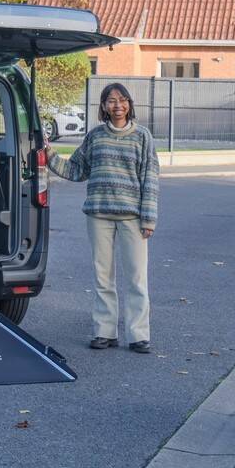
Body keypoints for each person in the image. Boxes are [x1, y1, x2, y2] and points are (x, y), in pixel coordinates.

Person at [45, 83, 160, 353]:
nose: (117, 105)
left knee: (136, 278)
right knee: (103, 276)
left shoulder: (142, 136)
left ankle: (138, 335)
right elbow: (76, 169)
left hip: (133, 217)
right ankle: (104, 332)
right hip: (99, 215)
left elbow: (150, 178)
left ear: (129, 104)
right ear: (104, 106)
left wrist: (149, 219)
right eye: (111, 100)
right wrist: (49, 154)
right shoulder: (95, 136)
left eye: (122, 100)